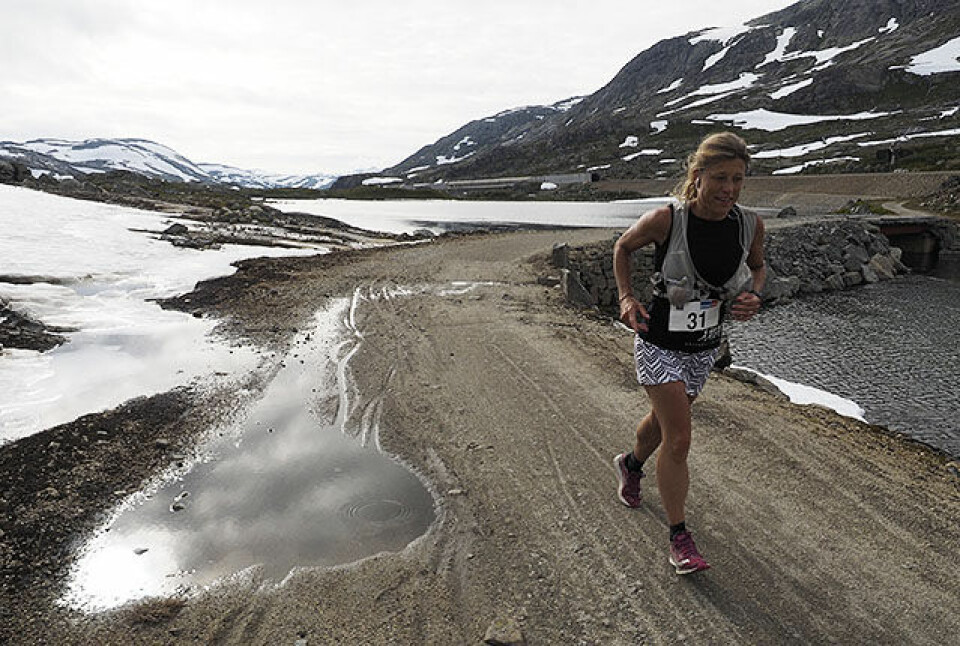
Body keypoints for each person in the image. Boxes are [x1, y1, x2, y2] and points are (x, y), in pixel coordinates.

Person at [611, 132, 766, 575]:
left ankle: (631, 463)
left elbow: (757, 268)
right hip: (658, 342)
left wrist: (754, 294)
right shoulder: (666, 219)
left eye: (737, 179)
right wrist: (625, 298)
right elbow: (622, 248)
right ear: (697, 177)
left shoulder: (749, 225)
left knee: (663, 424)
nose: (729, 189)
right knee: (679, 437)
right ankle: (680, 538)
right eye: (719, 178)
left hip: (704, 348)